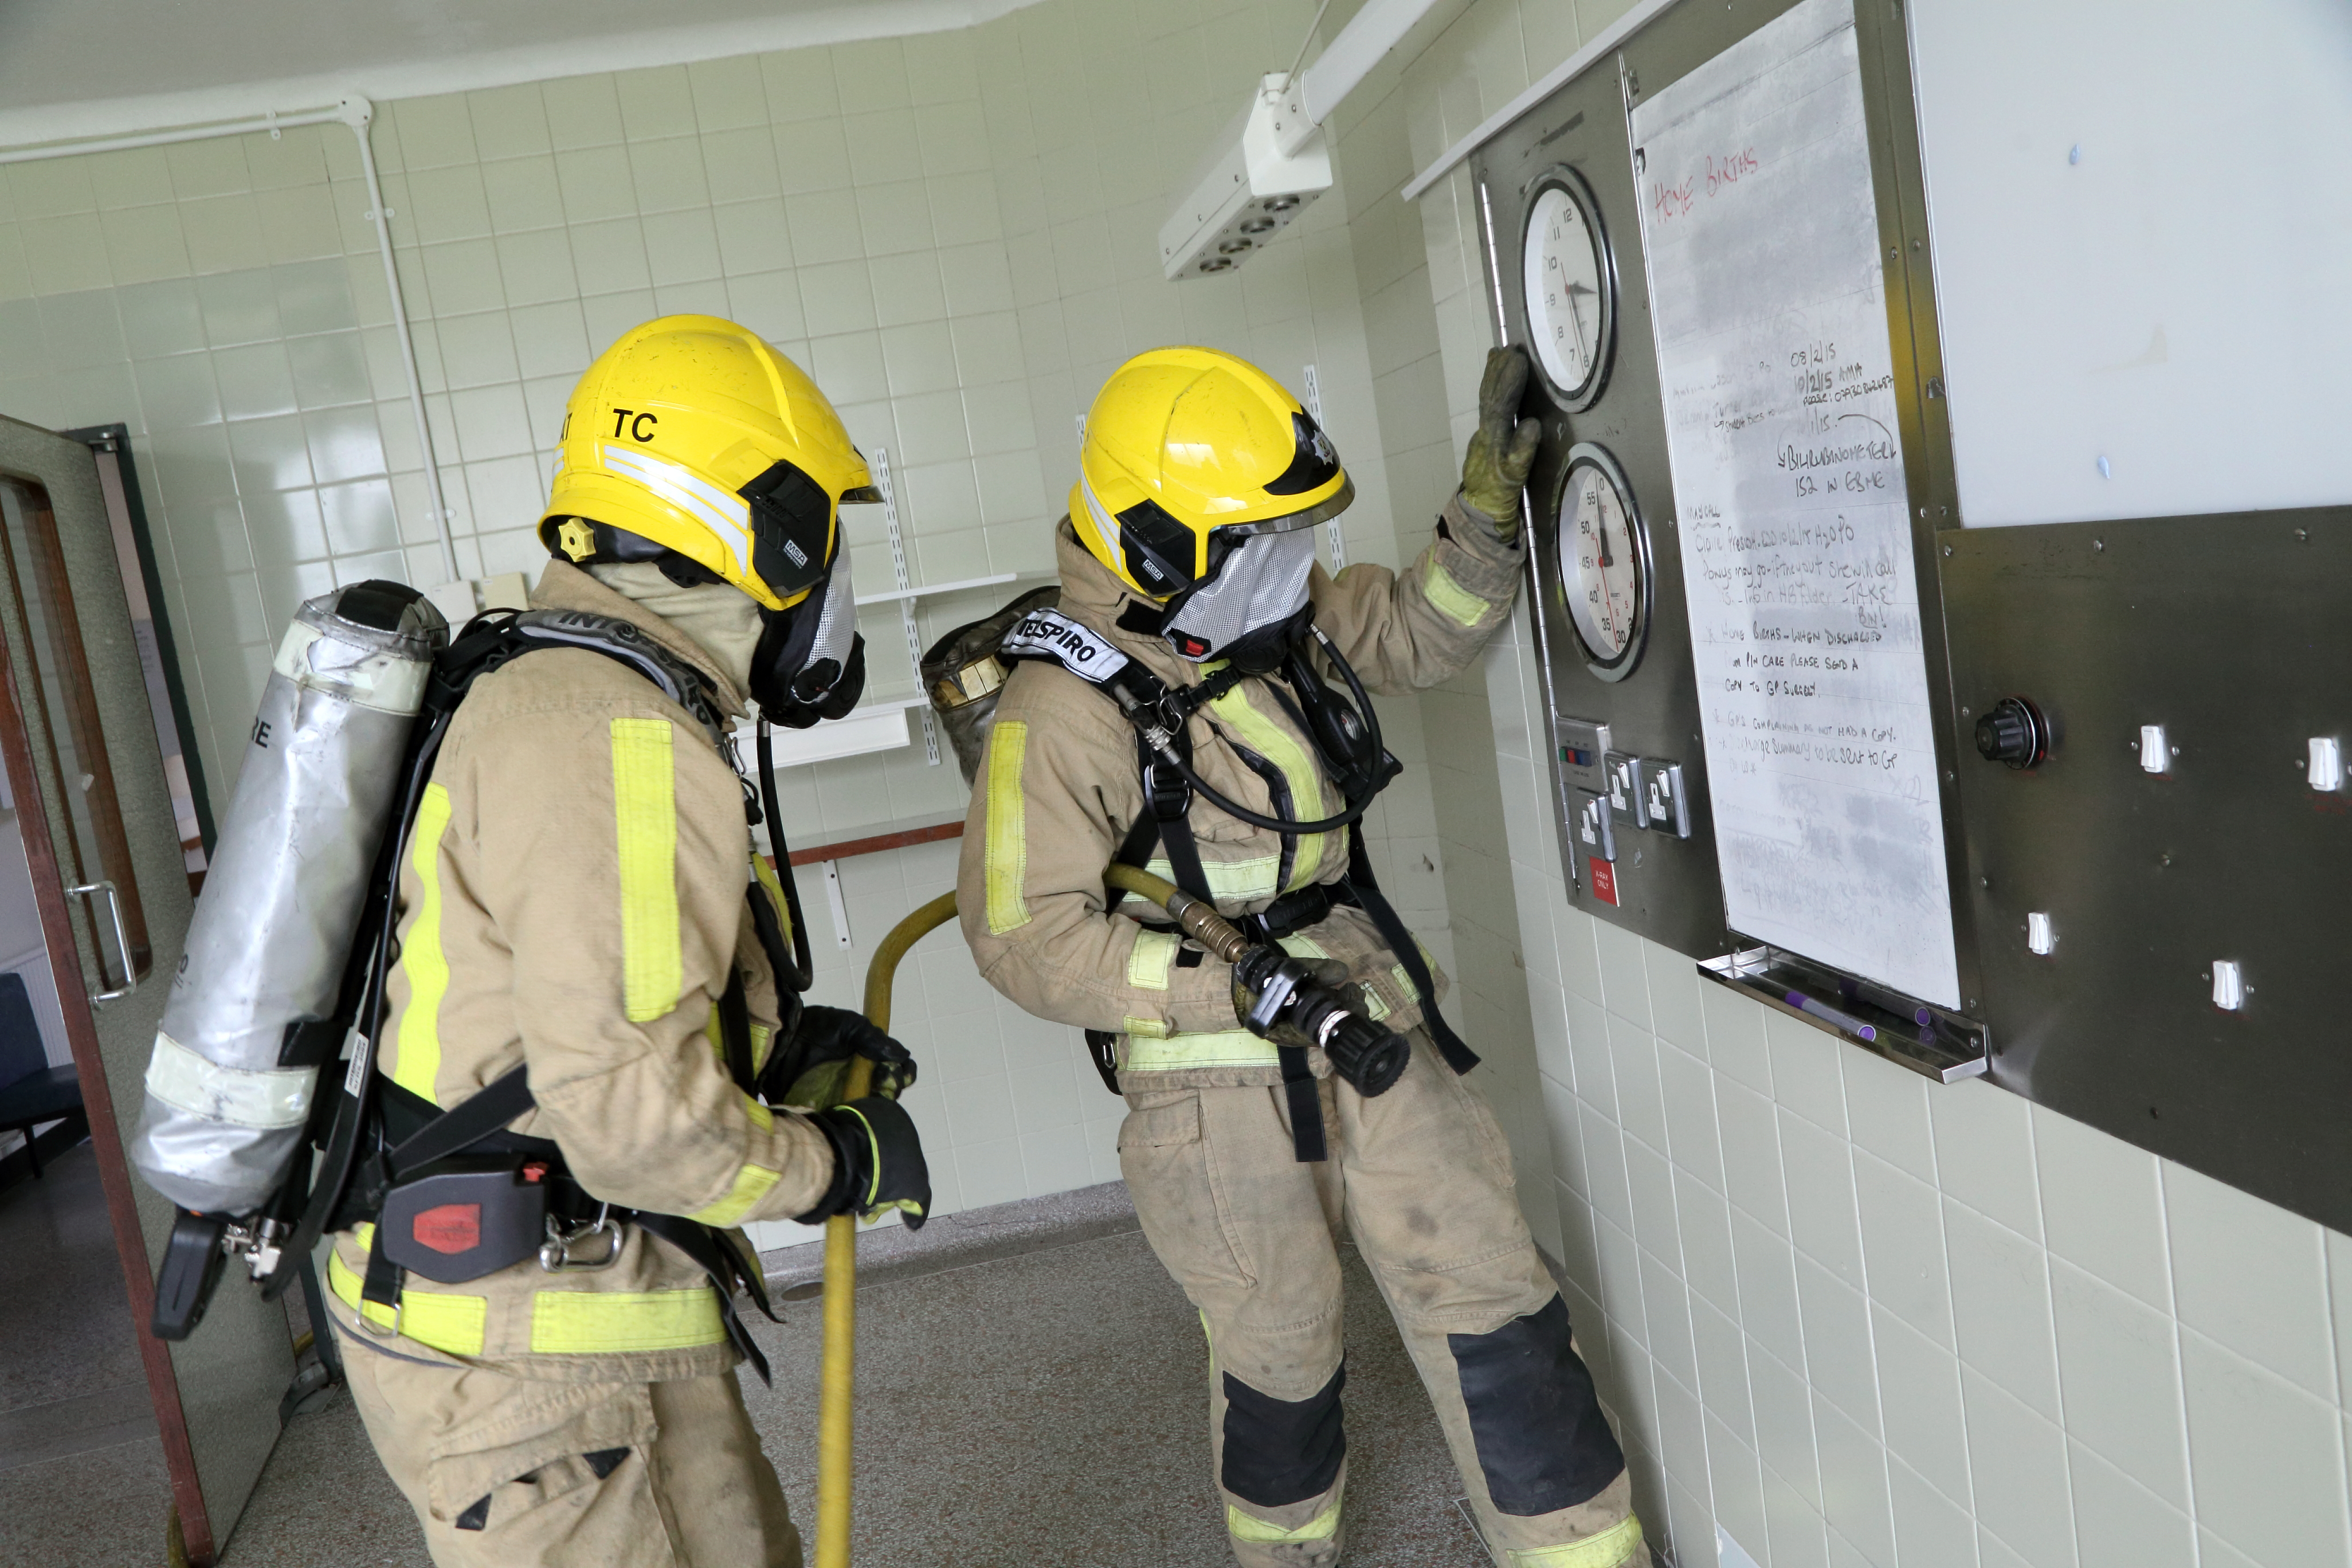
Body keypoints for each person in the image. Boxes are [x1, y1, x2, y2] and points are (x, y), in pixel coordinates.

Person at [957, 344, 1644, 1567]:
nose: (1293, 571)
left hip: (1362, 1007)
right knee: (1280, 1352)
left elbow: (1424, 632)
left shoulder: (1261, 613)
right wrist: (1222, 985)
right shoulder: (1059, 711)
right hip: (1211, 1071)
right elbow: (1024, 935)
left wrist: (1488, 509)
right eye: (1260, 543)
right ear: (1159, 544)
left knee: (1495, 1299)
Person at [321, 315, 931, 1568]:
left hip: (535, 1320)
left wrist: (770, 1050)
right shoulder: (616, 740)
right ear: (762, 533)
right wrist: (829, 1167)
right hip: (544, 1372)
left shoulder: (551, 684)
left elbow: (572, 1001)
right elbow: (635, 1119)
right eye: (826, 541)